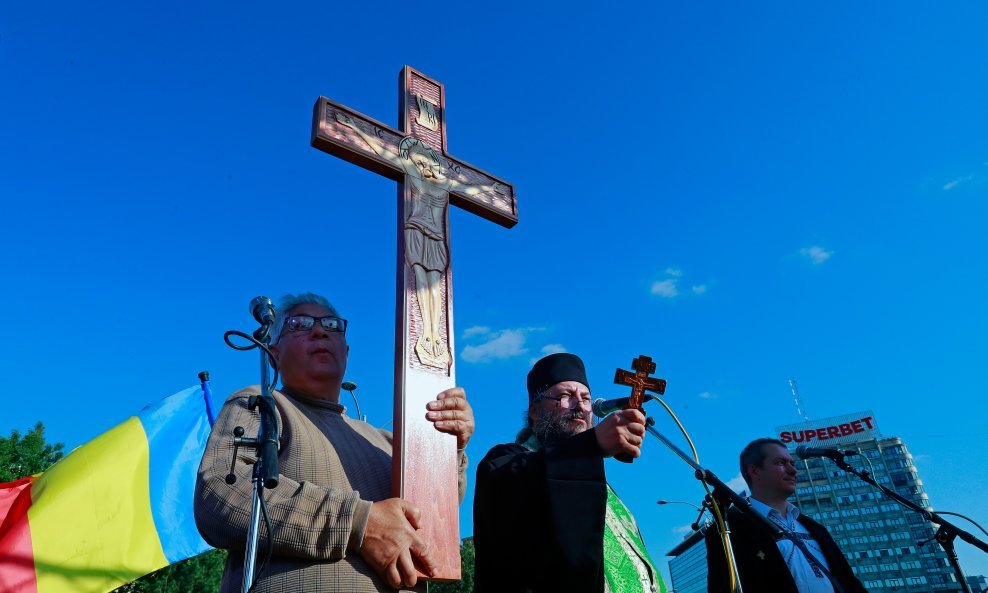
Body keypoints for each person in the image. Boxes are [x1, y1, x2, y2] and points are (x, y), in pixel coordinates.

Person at [194, 292, 474, 593]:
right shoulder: (262, 403)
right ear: (273, 353)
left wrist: (448, 446)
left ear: (346, 351)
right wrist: (359, 524)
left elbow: (429, 521)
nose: (319, 330)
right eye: (299, 324)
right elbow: (221, 493)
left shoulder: (388, 441)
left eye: (331, 324)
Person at [473, 353, 663, 593]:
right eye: (565, 396)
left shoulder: (607, 491)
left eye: (586, 398)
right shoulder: (505, 462)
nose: (581, 406)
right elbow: (518, 487)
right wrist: (591, 445)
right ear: (534, 411)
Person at [705, 438, 868, 593]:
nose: (793, 470)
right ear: (754, 470)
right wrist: (722, 519)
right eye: (780, 463)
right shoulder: (729, 528)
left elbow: (849, 582)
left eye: (792, 463)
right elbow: (721, 586)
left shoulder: (816, 528)